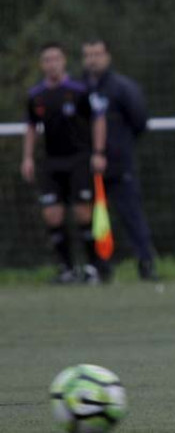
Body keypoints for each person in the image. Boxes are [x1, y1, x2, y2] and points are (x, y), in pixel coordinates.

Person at [21, 42, 108, 284]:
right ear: (42, 64)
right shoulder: (36, 95)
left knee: (83, 212)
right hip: (51, 162)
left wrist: (99, 152)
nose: (52, 64)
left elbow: (98, 119)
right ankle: (67, 270)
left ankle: (92, 268)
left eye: (56, 59)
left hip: (79, 159)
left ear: (64, 61)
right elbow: (30, 127)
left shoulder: (80, 90)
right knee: (52, 215)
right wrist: (27, 157)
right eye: (47, 60)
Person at [81, 39, 158, 282]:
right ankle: (99, 267)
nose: (93, 59)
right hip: (87, 166)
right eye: (88, 55)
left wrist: (117, 147)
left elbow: (139, 121)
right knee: (92, 218)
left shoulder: (122, 87)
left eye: (97, 54)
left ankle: (146, 264)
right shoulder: (79, 88)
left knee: (131, 215)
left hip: (120, 164)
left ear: (108, 56)